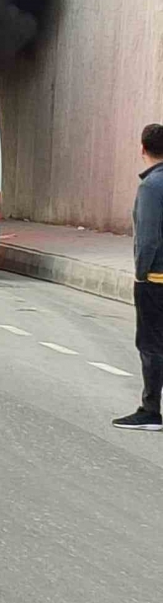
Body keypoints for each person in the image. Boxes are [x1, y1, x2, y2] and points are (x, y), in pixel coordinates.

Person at [113, 123, 163, 431]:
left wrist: (140, 275)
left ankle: (150, 410)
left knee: (151, 344)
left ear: (142, 148)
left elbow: (147, 238)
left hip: (156, 279)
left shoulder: (151, 186)